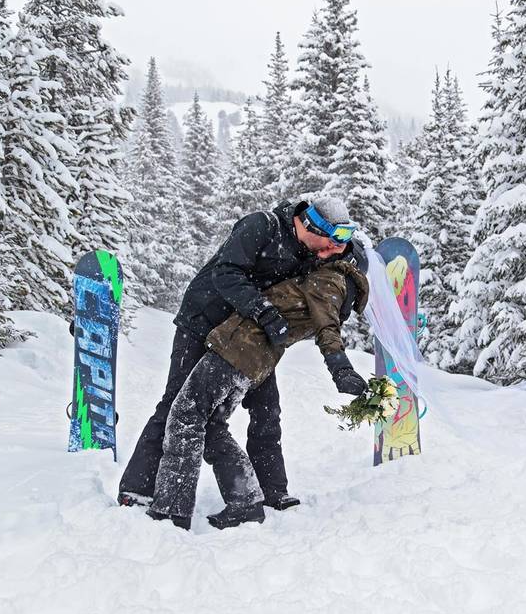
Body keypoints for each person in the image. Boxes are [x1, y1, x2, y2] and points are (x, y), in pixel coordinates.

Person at [119, 195, 368, 512]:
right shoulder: (262, 226)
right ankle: (137, 488)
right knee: (177, 403)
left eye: (335, 245)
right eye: (327, 241)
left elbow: (342, 268)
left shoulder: (310, 251)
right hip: (204, 321)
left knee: (267, 411)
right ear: (308, 224)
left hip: (246, 336)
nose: (326, 251)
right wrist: (264, 313)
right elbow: (226, 273)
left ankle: (272, 491)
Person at [147, 253, 370, 530]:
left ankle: (171, 511)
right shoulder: (331, 285)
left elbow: (328, 330)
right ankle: (245, 502)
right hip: (252, 360)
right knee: (212, 425)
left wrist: (341, 368)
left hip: (237, 350)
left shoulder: (330, 282)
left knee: (185, 415)